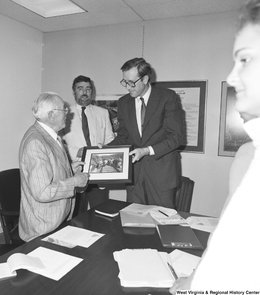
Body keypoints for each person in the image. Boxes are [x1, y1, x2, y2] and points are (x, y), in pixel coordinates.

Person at [170, 0, 260, 290]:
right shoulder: (249, 153)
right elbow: (226, 240)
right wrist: (195, 281)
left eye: (245, 59)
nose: (231, 77)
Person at [108, 58, 183, 208]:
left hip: (161, 176)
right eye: (124, 82)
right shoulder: (123, 103)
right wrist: (104, 149)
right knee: (134, 223)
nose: (127, 87)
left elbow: (176, 137)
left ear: (145, 79)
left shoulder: (167, 97)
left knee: (163, 223)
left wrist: (146, 151)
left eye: (131, 82)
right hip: (134, 178)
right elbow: (123, 137)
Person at [18, 92, 89, 242]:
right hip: (43, 227)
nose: (67, 113)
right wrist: (75, 181)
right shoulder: (35, 142)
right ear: (51, 115)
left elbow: (49, 169)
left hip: (57, 220)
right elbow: (42, 192)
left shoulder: (51, 135)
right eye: (64, 109)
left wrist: (69, 168)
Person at [61, 75, 115, 215]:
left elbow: (110, 140)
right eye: (80, 89)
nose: (84, 92)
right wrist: (78, 151)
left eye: (88, 89)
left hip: (99, 173)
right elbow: (58, 145)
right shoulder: (64, 114)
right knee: (76, 217)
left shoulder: (103, 113)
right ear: (74, 92)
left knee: (102, 213)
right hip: (75, 172)